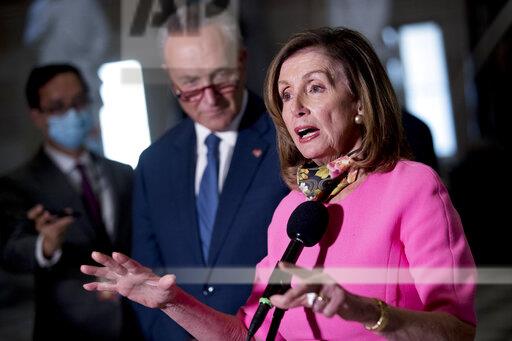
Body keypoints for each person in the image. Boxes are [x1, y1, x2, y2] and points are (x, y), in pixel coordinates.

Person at [81, 27, 476, 340]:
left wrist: (362, 310)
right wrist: (171, 302)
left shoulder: (412, 186)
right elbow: (247, 335)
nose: (296, 106)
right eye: (286, 95)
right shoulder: (291, 210)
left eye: (316, 87)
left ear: (359, 102)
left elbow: (458, 332)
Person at [129, 5, 289, 340]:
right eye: (190, 83)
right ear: (170, 77)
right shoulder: (154, 163)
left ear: (242, 61)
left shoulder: (289, 140)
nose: (210, 98)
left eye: (221, 77)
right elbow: (149, 269)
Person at [0, 64, 140, 340]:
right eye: (58, 107)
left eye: (78, 102)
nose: (73, 113)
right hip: (70, 327)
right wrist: (45, 246)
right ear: (38, 116)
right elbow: (11, 251)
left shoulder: (122, 173)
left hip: (134, 321)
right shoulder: (18, 185)